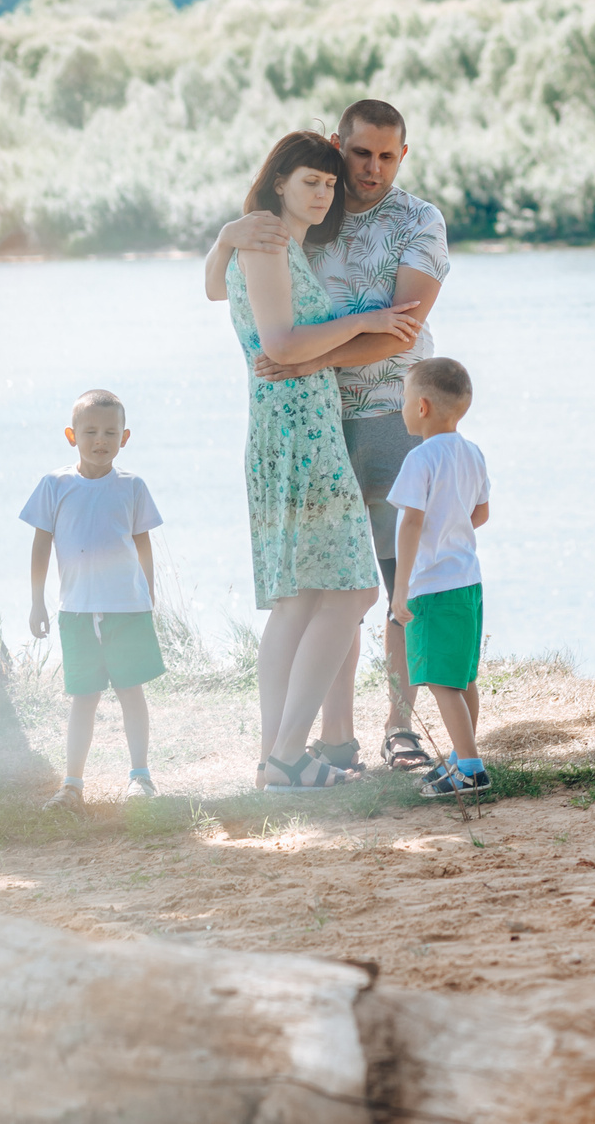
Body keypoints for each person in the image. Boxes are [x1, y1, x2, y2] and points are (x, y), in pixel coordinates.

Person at [205, 100, 450, 775]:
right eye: (359, 154)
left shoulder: (418, 221)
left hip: (392, 417)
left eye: (386, 155)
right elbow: (243, 300)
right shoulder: (314, 217)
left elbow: (396, 326)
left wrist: (307, 359)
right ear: (339, 148)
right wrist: (227, 235)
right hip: (314, 427)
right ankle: (327, 741)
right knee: (328, 588)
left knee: (399, 578)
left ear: (404, 155)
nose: (369, 168)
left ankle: (398, 725)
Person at [23, 389, 166, 811]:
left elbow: (143, 545)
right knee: (83, 698)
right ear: (72, 435)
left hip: (127, 608)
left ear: (125, 438)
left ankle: (140, 776)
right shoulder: (54, 485)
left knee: (130, 691)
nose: (100, 439)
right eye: (90, 431)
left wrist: (148, 595)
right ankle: (72, 785)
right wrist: (36, 601)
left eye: (110, 432)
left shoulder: (132, 487)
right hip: (76, 610)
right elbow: (40, 547)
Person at [385, 357, 492, 798]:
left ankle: (469, 767)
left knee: (437, 679)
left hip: (432, 586)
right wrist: (452, 529)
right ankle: (460, 755)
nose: (403, 407)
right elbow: (481, 513)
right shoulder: (472, 452)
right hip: (468, 582)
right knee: (464, 676)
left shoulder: (420, 457)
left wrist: (400, 589)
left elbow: (411, 523)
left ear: (423, 406)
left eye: (405, 399)